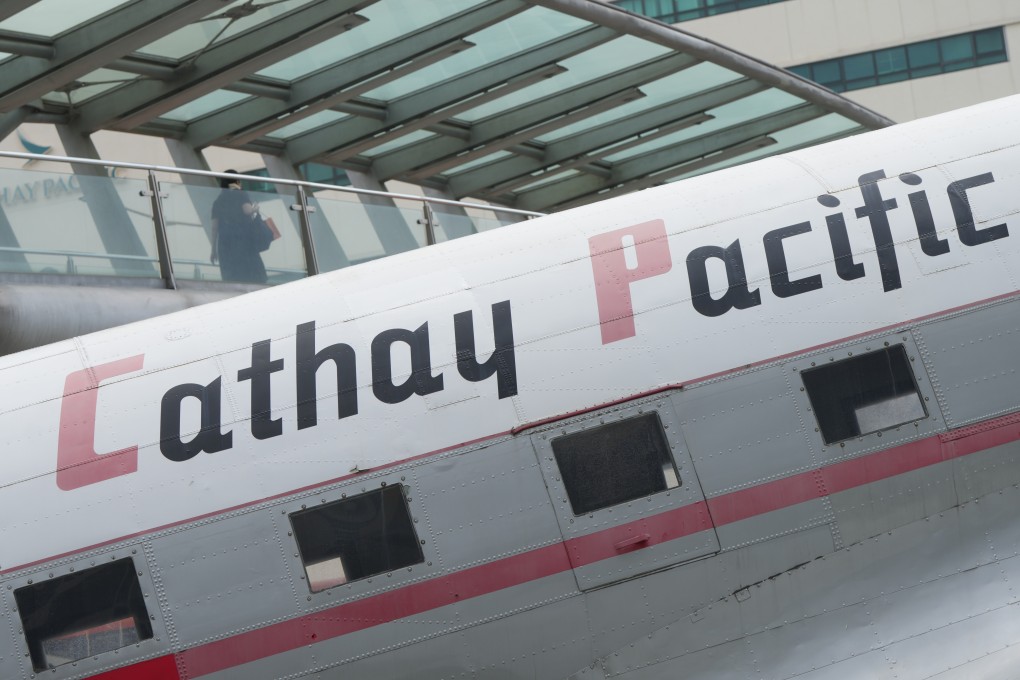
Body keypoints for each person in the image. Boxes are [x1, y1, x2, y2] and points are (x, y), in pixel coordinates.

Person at [210, 171, 267, 284]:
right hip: (243, 240)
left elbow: (214, 228)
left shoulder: (218, 201)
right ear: (236, 181)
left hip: (225, 244)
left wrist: (213, 250)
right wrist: (255, 208)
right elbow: (247, 211)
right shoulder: (240, 194)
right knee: (252, 276)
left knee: (232, 277)